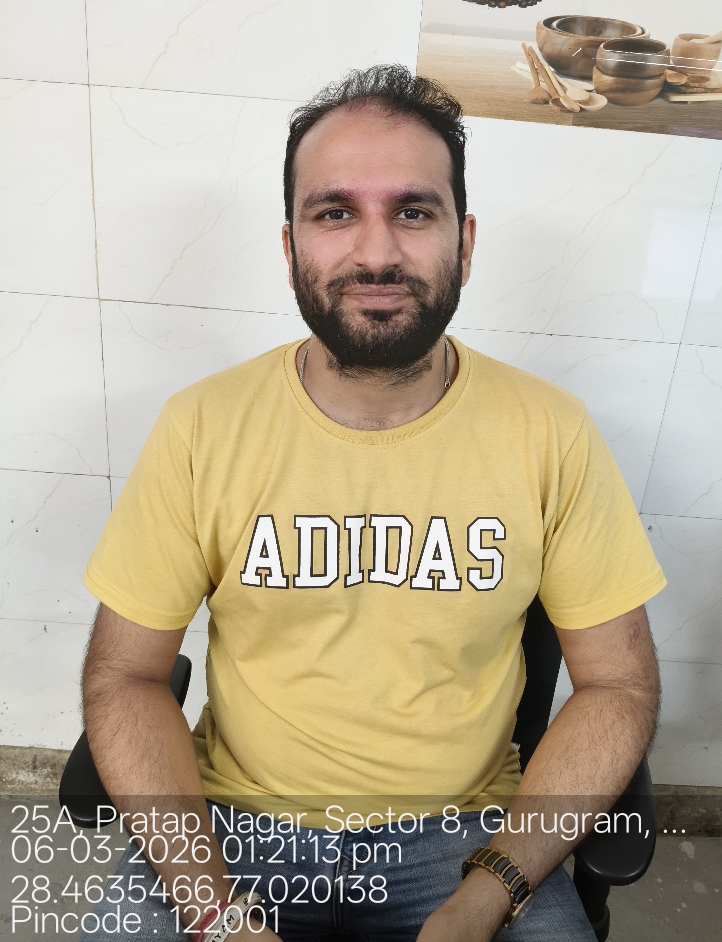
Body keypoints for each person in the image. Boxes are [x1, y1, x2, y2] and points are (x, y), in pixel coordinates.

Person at [80, 65, 665, 942]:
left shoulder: (552, 432)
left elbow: (618, 683)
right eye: (335, 212)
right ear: (290, 248)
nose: (378, 253)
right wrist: (210, 908)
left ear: (466, 241)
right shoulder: (202, 426)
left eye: (414, 211)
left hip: (469, 840)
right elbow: (125, 674)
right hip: (231, 832)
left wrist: (490, 892)